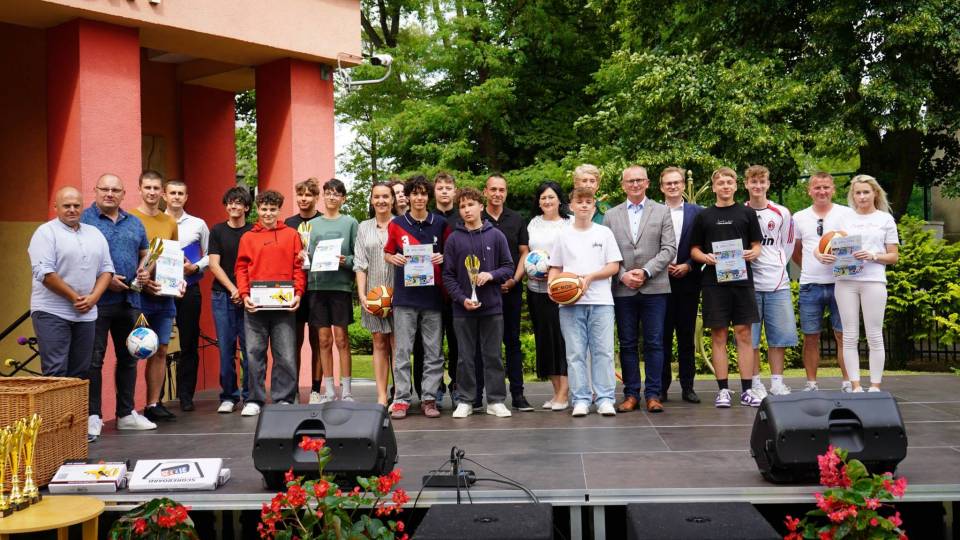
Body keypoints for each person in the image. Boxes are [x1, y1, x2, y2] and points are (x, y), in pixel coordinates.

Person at [81, 174, 155, 439]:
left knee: (129, 357)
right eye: (105, 189)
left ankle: (125, 414)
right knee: (93, 360)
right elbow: (78, 257)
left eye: (115, 190)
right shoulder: (84, 221)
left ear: (124, 194)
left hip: (130, 300)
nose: (110, 194)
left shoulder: (134, 222)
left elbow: (146, 253)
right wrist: (105, 279)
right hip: (97, 301)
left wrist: (145, 271)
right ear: (95, 190)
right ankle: (93, 416)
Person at [689, 167, 764, 408]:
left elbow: (757, 245)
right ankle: (722, 390)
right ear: (714, 187)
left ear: (735, 186)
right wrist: (705, 258)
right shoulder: (704, 216)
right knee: (718, 334)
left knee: (744, 333)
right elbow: (694, 250)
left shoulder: (747, 213)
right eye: (720, 183)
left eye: (729, 182)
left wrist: (753, 253)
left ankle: (747, 390)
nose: (725, 186)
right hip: (713, 282)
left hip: (742, 281)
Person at [605, 166, 676, 413]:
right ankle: (631, 394)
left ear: (647, 183)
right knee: (627, 343)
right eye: (630, 181)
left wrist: (645, 271)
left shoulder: (662, 211)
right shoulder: (610, 215)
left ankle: (654, 395)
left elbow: (669, 248)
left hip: (654, 288)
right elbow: (607, 252)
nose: (635, 184)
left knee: (655, 343)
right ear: (623, 185)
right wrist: (623, 275)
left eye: (639, 180)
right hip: (623, 288)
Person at [548, 187, 623, 417]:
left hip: (601, 301)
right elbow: (555, 267)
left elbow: (614, 266)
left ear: (594, 206)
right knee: (575, 353)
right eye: (579, 201)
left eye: (588, 202)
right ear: (571, 206)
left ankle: (605, 399)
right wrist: (552, 286)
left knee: (603, 352)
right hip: (570, 304)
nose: (583, 205)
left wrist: (590, 277)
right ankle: (580, 399)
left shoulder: (604, 233)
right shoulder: (562, 235)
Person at [443, 187, 515, 418]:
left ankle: (495, 401)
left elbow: (509, 267)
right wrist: (462, 298)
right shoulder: (453, 239)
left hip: (492, 307)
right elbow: (448, 276)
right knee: (465, 357)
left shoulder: (496, 236)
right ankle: (466, 400)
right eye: (462, 206)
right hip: (462, 309)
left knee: (493, 355)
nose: (467, 210)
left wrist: (491, 275)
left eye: (471, 204)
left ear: (481, 206)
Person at [29, 187, 113, 380]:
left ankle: (74, 404)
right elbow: (45, 273)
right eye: (67, 206)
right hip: (52, 311)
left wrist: (93, 298)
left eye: (76, 205)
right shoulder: (45, 232)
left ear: (83, 207)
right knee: (56, 371)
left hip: (86, 313)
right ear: (56, 207)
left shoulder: (95, 233)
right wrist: (75, 298)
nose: (72, 210)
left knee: (81, 374)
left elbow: (107, 269)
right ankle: (55, 404)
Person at [235, 190, 306, 416]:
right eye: (264, 209)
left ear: (279, 210)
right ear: (257, 209)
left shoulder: (292, 235)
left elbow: (298, 267)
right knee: (254, 353)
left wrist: (298, 293)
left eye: (272, 209)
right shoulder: (247, 238)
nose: (268, 213)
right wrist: (244, 295)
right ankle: (254, 399)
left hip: (284, 306)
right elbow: (241, 268)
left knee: (285, 354)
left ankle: (283, 398)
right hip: (255, 306)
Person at [383, 175, 448, 419]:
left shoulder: (440, 223)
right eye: (415, 193)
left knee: (433, 351)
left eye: (423, 193)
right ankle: (401, 399)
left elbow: (449, 253)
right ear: (408, 196)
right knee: (402, 351)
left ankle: (429, 398)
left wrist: (443, 258)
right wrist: (394, 258)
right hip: (405, 297)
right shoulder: (397, 224)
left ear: (428, 197)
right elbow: (387, 253)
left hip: (432, 297)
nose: (419, 198)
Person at [827, 175, 899, 391]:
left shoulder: (885, 219)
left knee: (874, 335)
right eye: (857, 192)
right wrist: (823, 255)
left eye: (866, 192)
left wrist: (873, 255)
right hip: (845, 281)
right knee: (849, 335)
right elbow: (827, 246)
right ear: (853, 195)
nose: (862, 196)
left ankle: (875, 386)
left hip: (873, 281)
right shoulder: (843, 219)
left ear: (875, 193)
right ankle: (856, 386)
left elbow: (893, 256)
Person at [792, 172, 854, 391]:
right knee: (811, 336)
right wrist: (812, 264)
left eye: (826, 187)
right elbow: (795, 251)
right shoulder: (799, 217)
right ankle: (811, 383)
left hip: (841, 283)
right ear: (809, 190)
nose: (822, 191)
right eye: (817, 187)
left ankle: (848, 382)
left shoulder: (847, 214)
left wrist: (840, 260)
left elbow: (853, 245)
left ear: (833, 189)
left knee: (843, 335)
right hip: (810, 284)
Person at [129, 170, 180, 423]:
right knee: (133, 350)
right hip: (138, 296)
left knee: (161, 349)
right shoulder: (130, 220)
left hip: (164, 296)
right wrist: (143, 283)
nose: (151, 192)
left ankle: (153, 404)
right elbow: (127, 257)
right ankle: (127, 408)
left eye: (155, 188)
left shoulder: (169, 222)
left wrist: (178, 282)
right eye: (147, 187)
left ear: (162, 192)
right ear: (139, 188)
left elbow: (173, 258)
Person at [744, 165, 797, 397]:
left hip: (777, 283)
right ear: (746, 184)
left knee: (779, 338)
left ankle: (777, 382)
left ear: (768, 184)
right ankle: (756, 383)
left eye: (762, 181)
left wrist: (776, 264)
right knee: (751, 339)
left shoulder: (781, 213)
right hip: (749, 285)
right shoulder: (740, 211)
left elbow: (787, 245)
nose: (758, 186)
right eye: (753, 181)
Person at [482, 175, 532, 411]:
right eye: (493, 189)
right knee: (484, 345)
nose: (497, 194)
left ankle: (518, 395)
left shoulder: (516, 219)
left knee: (512, 342)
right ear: (485, 192)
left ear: (506, 192)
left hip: (510, 289)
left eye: (501, 190)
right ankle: (480, 397)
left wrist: (514, 279)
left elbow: (524, 252)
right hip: (484, 291)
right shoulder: (477, 217)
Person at [306, 178, 359, 402]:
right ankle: (328, 391)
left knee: (341, 339)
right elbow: (307, 256)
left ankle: (346, 391)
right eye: (328, 192)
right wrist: (304, 257)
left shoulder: (350, 223)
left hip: (340, 287)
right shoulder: (313, 225)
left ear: (343, 198)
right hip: (317, 287)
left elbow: (358, 257)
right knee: (323, 340)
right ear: (323, 196)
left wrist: (345, 260)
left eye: (336, 193)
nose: (331, 197)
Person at [163, 179, 209, 412]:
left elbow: (211, 254)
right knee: (157, 343)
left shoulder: (198, 224)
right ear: (165, 196)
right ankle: (155, 399)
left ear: (186, 197)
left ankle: (185, 395)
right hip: (161, 290)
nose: (176, 197)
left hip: (190, 288)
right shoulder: (157, 221)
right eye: (172, 193)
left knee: (189, 342)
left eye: (180, 193)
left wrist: (197, 266)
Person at [208, 186, 254, 414]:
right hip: (222, 295)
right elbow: (213, 265)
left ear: (246, 207)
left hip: (250, 297)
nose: (233, 206)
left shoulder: (254, 231)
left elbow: (257, 263)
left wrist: (243, 291)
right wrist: (234, 289)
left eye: (238, 202)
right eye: (230, 203)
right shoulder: (217, 231)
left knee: (250, 349)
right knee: (226, 349)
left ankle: (251, 397)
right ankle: (228, 396)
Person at [659, 167, 703, 404]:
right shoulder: (653, 212)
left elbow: (705, 245)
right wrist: (660, 265)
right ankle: (661, 387)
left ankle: (688, 386)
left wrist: (689, 265)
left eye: (677, 182)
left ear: (683, 186)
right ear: (661, 187)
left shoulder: (698, 212)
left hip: (688, 281)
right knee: (661, 337)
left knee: (686, 337)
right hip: (659, 283)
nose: (673, 186)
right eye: (668, 183)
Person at [525, 181, 570, 410]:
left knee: (561, 341)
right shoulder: (533, 223)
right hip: (536, 290)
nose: (547, 201)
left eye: (551, 197)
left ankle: (564, 393)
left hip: (561, 291)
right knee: (545, 341)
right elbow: (527, 253)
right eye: (543, 197)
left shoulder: (569, 224)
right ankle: (556, 391)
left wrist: (554, 272)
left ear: (560, 200)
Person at [355, 182, 397, 406]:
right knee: (379, 342)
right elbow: (360, 264)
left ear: (393, 199)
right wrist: (362, 295)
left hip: (399, 295)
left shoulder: (402, 224)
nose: (381, 201)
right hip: (373, 295)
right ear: (371, 200)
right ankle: (381, 396)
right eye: (377, 197)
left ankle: (399, 395)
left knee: (398, 345)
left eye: (385, 196)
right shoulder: (364, 227)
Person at [285, 178, 323, 402]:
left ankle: (316, 389)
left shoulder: (324, 221)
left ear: (316, 197)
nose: (304, 199)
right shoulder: (288, 223)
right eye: (300, 194)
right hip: (295, 289)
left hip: (319, 287)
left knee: (318, 341)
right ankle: (295, 389)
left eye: (308, 195)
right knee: (294, 342)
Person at [431, 172, 459, 404]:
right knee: (432, 344)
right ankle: (435, 387)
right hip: (431, 291)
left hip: (458, 291)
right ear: (434, 192)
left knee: (458, 342)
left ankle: (457, 385)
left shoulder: (463, 216)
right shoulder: (427, 218)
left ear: (454, 192)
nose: (444, 191)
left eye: (448, 188)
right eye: (440, 188)